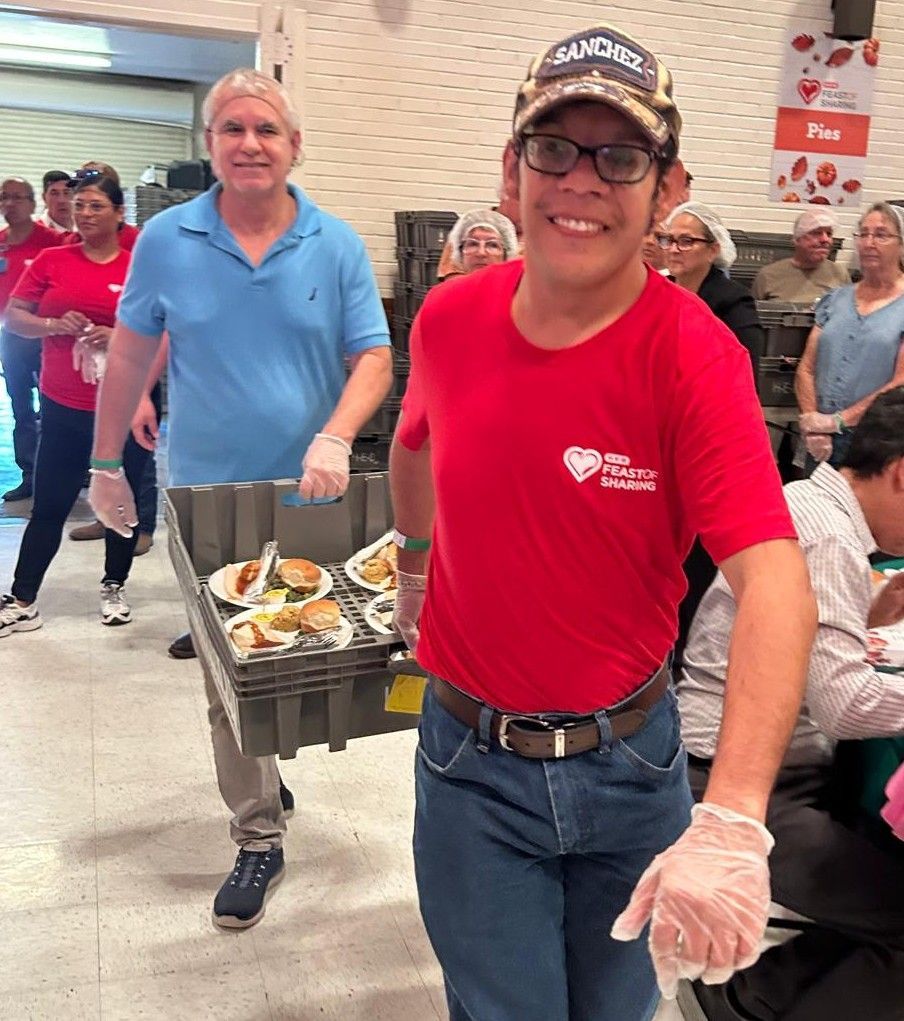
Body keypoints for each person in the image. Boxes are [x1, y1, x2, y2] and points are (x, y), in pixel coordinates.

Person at [390, 22, 816, 1021]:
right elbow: (413, 445)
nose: (582, 180)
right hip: (467, 762)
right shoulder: (450, 319)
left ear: (667, 189)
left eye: (620, 156)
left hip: (631, 765)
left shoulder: (694, 356)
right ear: (511, 172)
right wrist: (415, 562)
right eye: (554, 147)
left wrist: (733, 819)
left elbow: (776, 581)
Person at [87, 68, 392, 930]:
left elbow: (372, 356)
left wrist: (335, 434)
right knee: (229, 675)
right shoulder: (167, 240)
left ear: (294, 146)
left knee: (296, 650)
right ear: (211, 145)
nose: (249, 143)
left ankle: (267, 760)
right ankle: (258, 834)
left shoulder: (333, 245)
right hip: (202, 499)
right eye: (231, 129)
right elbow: (133, 353)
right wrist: (106, 462)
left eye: (267, 129)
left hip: (309, 494)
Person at [677, 388, 904, 1021]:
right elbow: (846, 706)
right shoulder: (830, 538)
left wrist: (869, 615)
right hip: (747, 785)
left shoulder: (806, 501)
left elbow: (800, 643)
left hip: (723, 764)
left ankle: (753, 996)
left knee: (881, 882)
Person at [0, 176, 150, 634]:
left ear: (119, 213)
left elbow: (164, 333)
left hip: (124, 406)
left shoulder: (139, 266)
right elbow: (14, 317)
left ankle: (114, 586)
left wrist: (118, 337)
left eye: (97, 206)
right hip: (63, 402)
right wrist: (51, 324)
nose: (85, 213)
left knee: (121, 504)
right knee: (50, 502)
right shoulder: (52, 259)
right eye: (80, 205)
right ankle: (23, 598)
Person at [65, 160, 155, 553]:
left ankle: (145, 524)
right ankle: (106, 518)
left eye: (96, 198)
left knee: (139, 446)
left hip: (137, 362)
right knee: (102, 450)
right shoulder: (72, 243)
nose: (87, 211)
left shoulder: (140, 243)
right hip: (91, 366)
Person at [795, 202, 904, 470]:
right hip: (821, 442)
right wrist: (813, 422)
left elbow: (900, 382)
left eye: (881, 234)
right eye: (863, 234)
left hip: (878, 446)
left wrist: (840, 421)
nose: (869, 242)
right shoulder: (836, 299)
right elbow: (807, 368)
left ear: (901, 244)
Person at [0, 177, 63, 502]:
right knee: (21, 409)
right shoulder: (1, 243)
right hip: (11, 341)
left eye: (18, 198)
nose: (10, 204)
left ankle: (67, 474)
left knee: (55, 410)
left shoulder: (52, 243)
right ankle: (30, 476)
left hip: (47, 340)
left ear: (32, 202)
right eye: (4, 198)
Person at [660, 201, 763, 378]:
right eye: (668, 240)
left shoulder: (734, 302)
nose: (673, 249)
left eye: (686, 241)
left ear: (713, 250)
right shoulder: (658, 292)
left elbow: (744, 371)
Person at [752, 210, 850, 303]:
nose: (825, 239)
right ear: (797, 239)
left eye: (829, 234)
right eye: (816, 233)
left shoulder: (840, 273)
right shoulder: (768, 275)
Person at [445, 208, 518, 276]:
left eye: (492, 245)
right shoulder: (445, 290)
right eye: (473, 244)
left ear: (505, 255)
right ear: (460, 253)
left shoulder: (521, 289)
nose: (481, 253)